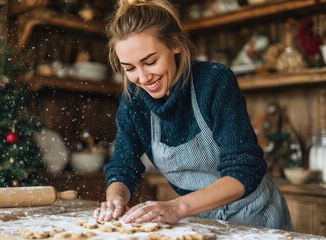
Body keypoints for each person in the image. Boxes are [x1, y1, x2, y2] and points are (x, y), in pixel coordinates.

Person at [93, 0, 293, 231]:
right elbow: (122, 165)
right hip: (201, 219)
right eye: (130, 68)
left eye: (151, 62)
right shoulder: (133, 99)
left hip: (254, 215)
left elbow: (244, 169)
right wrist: (116, 199)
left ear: (175, 45)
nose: (143, 77)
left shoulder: (214, 81)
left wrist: (177, 208)